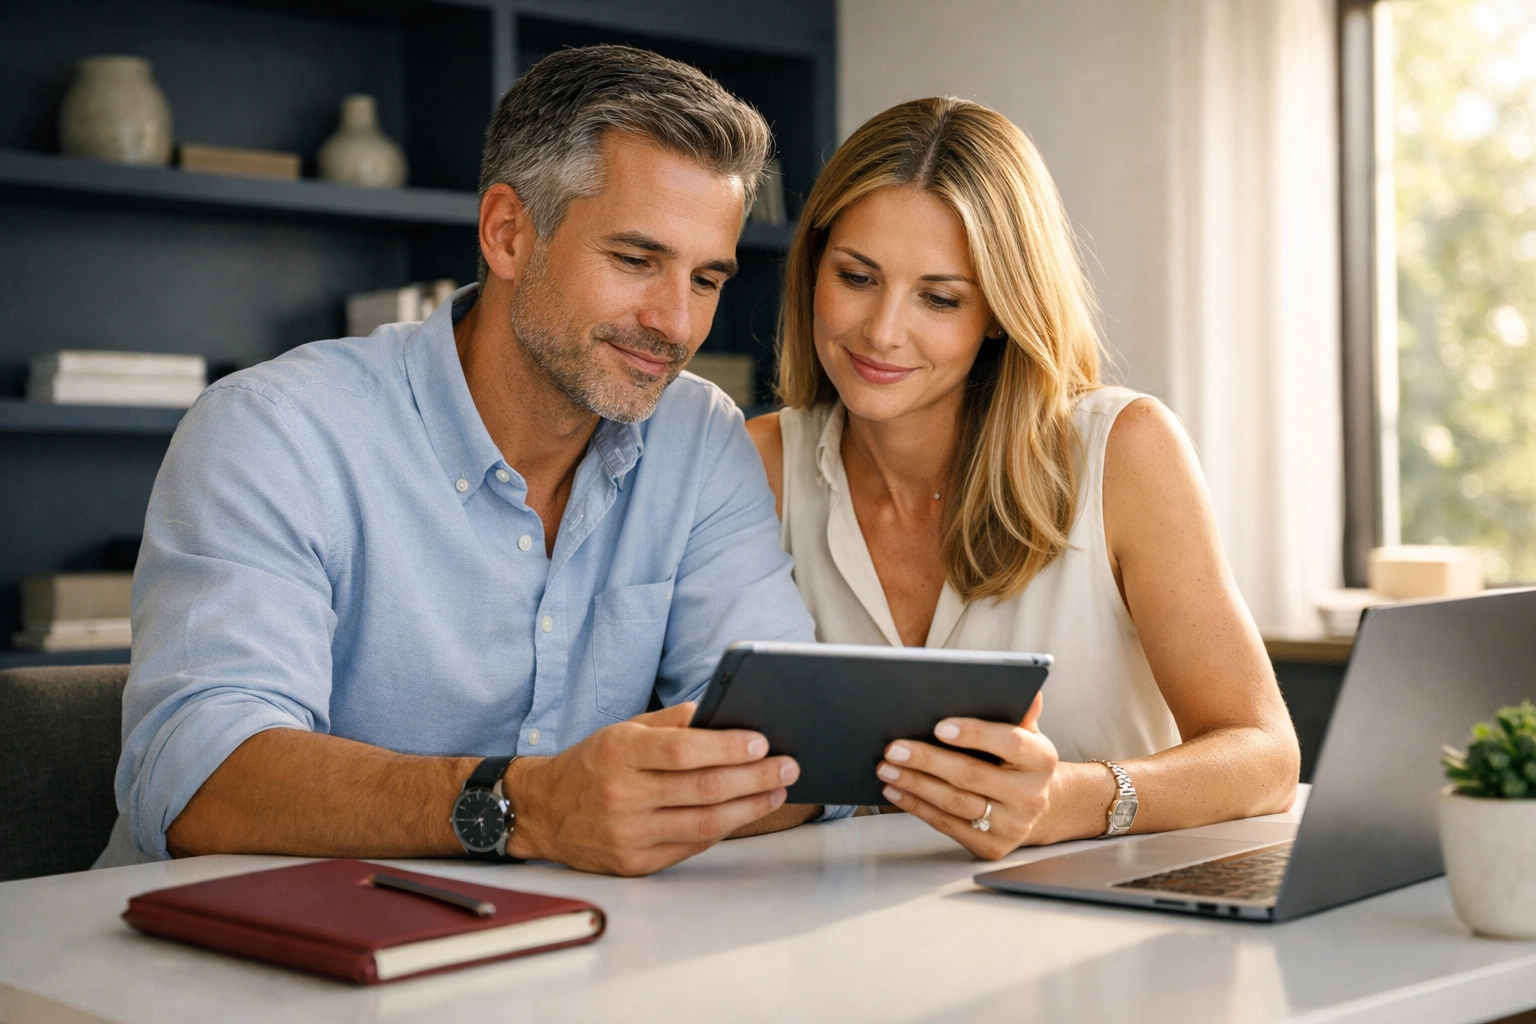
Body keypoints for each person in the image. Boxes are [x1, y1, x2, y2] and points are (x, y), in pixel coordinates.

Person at [104, 45, 845, 878]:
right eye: (636, 260)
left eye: (706, 278)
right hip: (214, 964)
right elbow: (197, 776)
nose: (676, 324)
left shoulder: (698, 439)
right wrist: (529, 808)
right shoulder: (276, 430)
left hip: (534, 956)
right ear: (507, 233)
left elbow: (793, 750)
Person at [746, 97, 1301, 858]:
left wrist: (1072, 799)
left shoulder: (1123, 451)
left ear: (1001, 311)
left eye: (940, 298)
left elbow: (1265, 756)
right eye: (856, 276)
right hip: (843, 939)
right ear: (813, 268)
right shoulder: (760, 465)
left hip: (1104, 942)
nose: (881, 331)